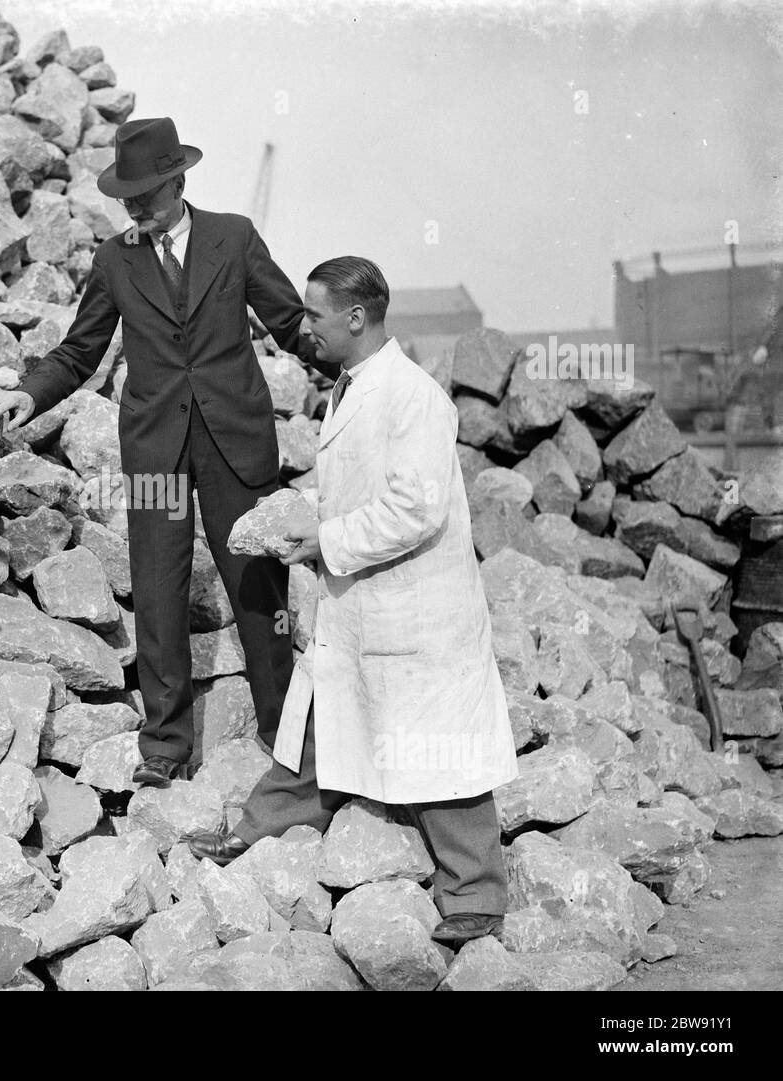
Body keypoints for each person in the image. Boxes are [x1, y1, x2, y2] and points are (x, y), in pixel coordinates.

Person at [0, 117, 333, 787]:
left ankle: (287, 741)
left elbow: (290, 322)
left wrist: (354, 363)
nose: (136, 206)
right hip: (155, 453)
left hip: (235, 438)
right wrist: (30, 396)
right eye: (127, 196)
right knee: (157, 587)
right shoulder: (115, 258)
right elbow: (81, 349)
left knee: (259, 586)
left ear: (179, 179)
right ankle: (166, 748)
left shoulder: (233, 236)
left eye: (147, 192)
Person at [187, 256, 519, 947]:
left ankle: (476, 893)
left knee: (437, 751)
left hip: (416, 612)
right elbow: (359, 491)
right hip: (360, 602)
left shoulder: (413, 396)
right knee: (321, 723)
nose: (302, 325)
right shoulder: (351, 388)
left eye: (313, 314)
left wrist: (321, 537)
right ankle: (256, 830)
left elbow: (415, 510)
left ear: (356, 317)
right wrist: (300, 511)